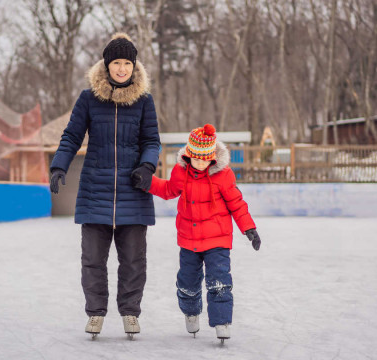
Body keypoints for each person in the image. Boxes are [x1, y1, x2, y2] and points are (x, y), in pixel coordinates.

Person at [49, 32, 160, 339]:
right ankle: (96, 313)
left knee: (134, 261)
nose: (121, 68)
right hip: (94, 191)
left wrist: (147, 166)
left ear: (134, 66)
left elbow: (151, 141)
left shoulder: (144, 101)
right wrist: (59, 164)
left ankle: (130, 313)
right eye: (116, 63)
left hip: (134, 191)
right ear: (107, 65)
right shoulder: (89, 99)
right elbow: (71, 135)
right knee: (93, 261)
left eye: (127, 63)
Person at [133, 124, 261, 342]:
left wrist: (249, 228)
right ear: (189, 155)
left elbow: (237, 203)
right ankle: (191, 312)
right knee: (187, 282)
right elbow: (167, 190)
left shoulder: (223, 175)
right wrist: (148, 183)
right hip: (189, 239)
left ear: (211, 157)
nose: (200, 162)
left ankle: (221, 321)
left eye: (205, 158)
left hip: (217, 239)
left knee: (219, 281)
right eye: (196, 158)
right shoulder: (181, 173)